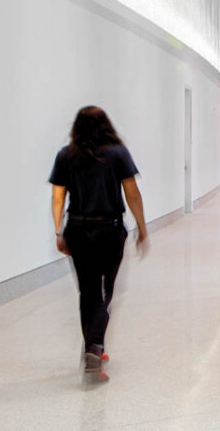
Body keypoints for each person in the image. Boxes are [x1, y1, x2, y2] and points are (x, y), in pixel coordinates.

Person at [49, 106, 148, 384]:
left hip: (78, 230)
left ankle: (94, 345)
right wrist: (142, 228)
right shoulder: (118, 153)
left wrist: (58, 232)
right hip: (110, 229)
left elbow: (58, 198)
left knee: (87, 291)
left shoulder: (65, 155)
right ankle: (94, 347)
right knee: (105, 291)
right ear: (107, 125)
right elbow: (132, 193)